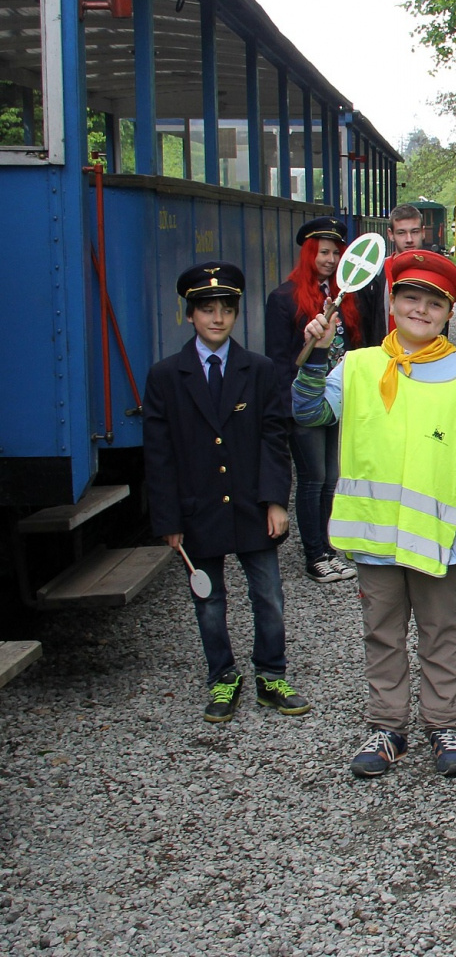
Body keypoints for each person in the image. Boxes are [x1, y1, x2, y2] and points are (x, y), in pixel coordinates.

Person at [292, 249, 456, 779]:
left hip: (438, 537)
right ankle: (387, 726)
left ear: (448, 313)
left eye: (434, 303)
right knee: (382, 632)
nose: (420, 310)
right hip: (374, 533)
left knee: (441, 632)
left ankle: (445, 723)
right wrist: (315, 356)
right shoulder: (359, 365)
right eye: (410, 298)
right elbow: (308, 412)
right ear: (392, 302)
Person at [144, 262, 309, 723]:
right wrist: (169, 520)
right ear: (189, 315)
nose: (217, 318)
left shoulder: (258, 370)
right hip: (198, 508)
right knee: (209, 601)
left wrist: (275, 501)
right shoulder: (166, 376)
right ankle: (222, 676)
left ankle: (271, 674)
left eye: (226, 309)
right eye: (206, 309)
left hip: (251, 503)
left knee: (269, 596)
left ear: (237, 314)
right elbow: (159, 455)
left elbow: (274, 438)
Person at [265, 217, 358, 584]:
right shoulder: (283, 299)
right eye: (323, 252)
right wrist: (288, 408)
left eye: (335, 253)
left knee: (332, 476)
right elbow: (277, 360)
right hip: (302, 402)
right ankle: (314, 554)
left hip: (337, 398)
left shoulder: (343, 297)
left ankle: (329, 548)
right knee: (312, 477)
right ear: (308, 254)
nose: (330, 260)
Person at [354, 204, 428, 345]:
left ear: (423, 232)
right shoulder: (375, 274)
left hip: (424, 354)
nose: (409, 239)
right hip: (383, 353)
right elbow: (364, 325)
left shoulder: (434, 272)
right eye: (401, 233)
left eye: (414, 232)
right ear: (390, 234)